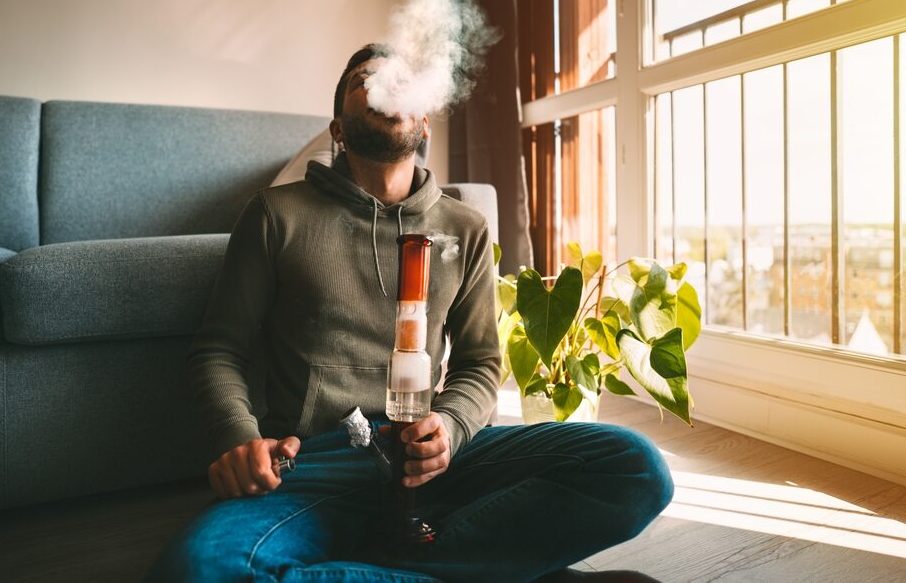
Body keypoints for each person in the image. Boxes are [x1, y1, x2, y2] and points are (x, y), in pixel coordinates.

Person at [145, 45, 673, 583]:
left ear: (424, 123)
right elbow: (218, 350)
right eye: (364, 81)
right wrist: (239, 437)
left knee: (636, 468)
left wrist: (449, 425)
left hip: (436, 461)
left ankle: (384, 564)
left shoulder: (465, 228)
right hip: (315, 465)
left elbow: (480, 363)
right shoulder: (275, 215)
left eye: (401, 81)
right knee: (200, 568)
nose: (384, 85)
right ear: (339, 130)